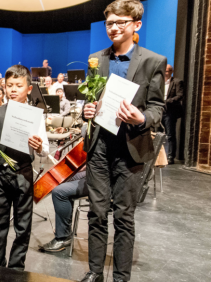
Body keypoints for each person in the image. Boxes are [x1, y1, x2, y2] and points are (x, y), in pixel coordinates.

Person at [80, 1, 166, 281]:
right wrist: (86, 109)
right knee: (96, 213)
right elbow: (89, 99)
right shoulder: (96, 59)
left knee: (124, 217)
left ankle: (121, 277)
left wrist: (141, 117)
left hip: (131, 147)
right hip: (99, 146)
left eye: (121, 22)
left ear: (136, 25)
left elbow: (157, 106)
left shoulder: (153, 61)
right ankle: (94, 272)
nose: (114, 28)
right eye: (109, 23)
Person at [0, 65, 49, 270]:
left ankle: (16, 267)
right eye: (9, 85)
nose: (13, 89)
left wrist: (39, 148)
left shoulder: (36, 115)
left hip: (23, 173)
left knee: (23, 225)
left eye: (18, 86)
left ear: (28, 89)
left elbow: (45, 150)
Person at [38, 168, 87, 253]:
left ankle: (62, 238)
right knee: (61, 178)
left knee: (59, 192)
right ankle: (65, 231)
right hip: (91, 173)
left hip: (101, 178)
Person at [163, 64, 184, 164]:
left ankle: (170, 156)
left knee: (170, 134)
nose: (165, 73)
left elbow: (180, 95)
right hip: (159, 111)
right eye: (164, 71)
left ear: (171, 71)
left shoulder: (177, 82)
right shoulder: (158, 82)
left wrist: (168, 101)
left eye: (167, 71)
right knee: (155, 134)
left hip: (170, 111)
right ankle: (156, 156)